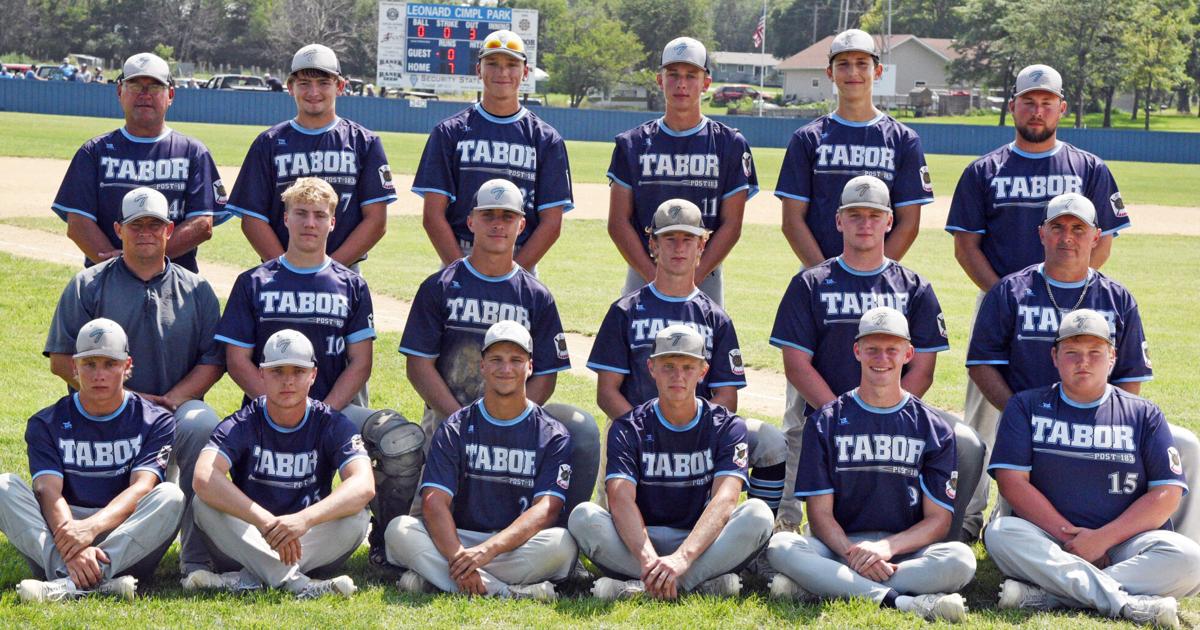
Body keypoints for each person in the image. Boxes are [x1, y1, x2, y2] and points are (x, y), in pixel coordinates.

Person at [946, 64, 1132, 537]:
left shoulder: (1089, 168)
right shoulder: (985, 170)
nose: (1037, 109)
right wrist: (1005, 299)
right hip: (1004, 305)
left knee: (1072, 410)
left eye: (1047, 101)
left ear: (1062, 108)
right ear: (1013, 106)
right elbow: (966, 245)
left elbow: (1102, 239)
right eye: (1028, 100)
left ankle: (1050, 513)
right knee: (986, 414)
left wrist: (1079, 286)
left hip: (1081, 310)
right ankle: (968, 516)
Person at [208, 177, 424, 568]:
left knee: (398, 440)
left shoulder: (351, 285)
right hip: (266, 409)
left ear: (332, 223)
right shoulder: (254, 282)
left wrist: (319, 415)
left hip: (334, 408)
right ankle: (217, 551)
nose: (310, 223)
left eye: (319, 216)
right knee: (209, 458)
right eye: (301, 214)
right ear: (285, 218)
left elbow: (361, 362)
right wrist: (280, 407)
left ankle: (387, 544)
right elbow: (237, 359)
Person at [962, 193, 1198, 542]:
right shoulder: (1011, 292)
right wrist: (1020, 417)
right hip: (1035, 423)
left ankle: (1179, 544)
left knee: (1186, 445)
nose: (1067, 237)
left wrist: (1114, 424)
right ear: (1042, 234)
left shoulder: (1117, 298)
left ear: (1096, 236)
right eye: (1057, 227)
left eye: (1078, 228)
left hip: (1102, 424)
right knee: (1006, 533)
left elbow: (1130, 375)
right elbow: (981, 364)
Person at [43, 186, 225, 577]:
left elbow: (213, 360)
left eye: (154, 225)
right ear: (118, 229)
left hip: (176, 406)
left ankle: (195, 559)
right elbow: (61, 360)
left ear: (169, 230)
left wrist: (172, 399)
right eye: (135, 225)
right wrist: (132, 399)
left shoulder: (197, 289)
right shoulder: (87, 285)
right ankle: (88, 542)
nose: (145, 232)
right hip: (108, 409)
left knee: (203, 425)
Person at [984, 309, 1200, 627]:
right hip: (1049, 539)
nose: (1083, 362)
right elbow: (1012, 483)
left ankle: (1052, 596)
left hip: (1125, 545)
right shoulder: (1025, 406)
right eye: (1072, 353)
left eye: (1094, 353)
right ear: (1055, 356)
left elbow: (1166, 494)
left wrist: (1102, 540)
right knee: (1001, 533)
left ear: (1112, 357)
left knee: (1190, 559)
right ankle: (1124, 602)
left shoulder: (1143, 414)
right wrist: (1073, 542)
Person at [400, 178, 598, 521]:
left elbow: (546, 374)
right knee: (414, 525)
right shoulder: (441, 286)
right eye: (488, 214)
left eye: (507, 217)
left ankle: (561, 532)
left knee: (578, 429)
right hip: (448, 417)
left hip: (516, 418)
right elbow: (419, 365)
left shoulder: (535, 295)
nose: (497, 224)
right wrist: (461, 422)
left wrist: (509, 422)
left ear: (521, 225)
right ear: (471, 221)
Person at [767, 307, 973, 623]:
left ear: (908, 354)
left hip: (904, 551)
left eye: (892, 349)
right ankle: (899, 602)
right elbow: (819, 516)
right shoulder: (826, 421)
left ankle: (822, 584)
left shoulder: (933, 427)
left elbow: (938, 522)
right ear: (857, 351)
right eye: (872, 349)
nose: (882, 358)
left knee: (960, 559)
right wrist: (855, 555)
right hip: (839, 546)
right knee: (781, 546)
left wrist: (886, 548)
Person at [769, 176, 954, 528]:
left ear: (889, 221)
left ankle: (947, 525)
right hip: (822, 414)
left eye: (874, 215)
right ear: (839, 220)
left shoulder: (914, 287)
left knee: (956, 438)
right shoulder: (811, 282)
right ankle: (786, 527)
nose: (864, 224)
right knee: (796, 437)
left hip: (895, 417)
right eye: (855, 215)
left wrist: (884, 413)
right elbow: (796, 364)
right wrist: (839, 417)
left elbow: (924, 368)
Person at [587, 198, 787, 516]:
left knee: (772, 442)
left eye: (688, 239)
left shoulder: (715, 317)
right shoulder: (625, 311)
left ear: (702, 245)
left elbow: (726, 397)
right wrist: (646, 432)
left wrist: (690, 432)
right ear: (653, 244)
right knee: (606, 520)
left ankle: (759, 547)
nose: (679, 248)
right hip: (636, 431)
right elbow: (607, 392)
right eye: (669, 238)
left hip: (699, 433)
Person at [569, 325, 774, 600]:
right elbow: (620, 500)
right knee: (583, 516)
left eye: (688, 367)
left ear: (703, 371)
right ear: (651, 368)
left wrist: (682, 559)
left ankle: (644, 587)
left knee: (758, 514)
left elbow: (725, 500)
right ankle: (697, 584)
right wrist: (647, 559)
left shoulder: (728, 426)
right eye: (668, 366)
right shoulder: (629, 427)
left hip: (701, 538)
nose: (678, 376)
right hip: (641, 538)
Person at [387, 321, 578, 599]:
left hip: (515, 544)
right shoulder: (456, 426)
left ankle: (437, 578)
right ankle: (507, 591)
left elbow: (546, 510)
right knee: (399, 530)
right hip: (462, 538)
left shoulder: (552, 433)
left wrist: (486, 552)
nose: (506, 369)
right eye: (496, 360)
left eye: (516, 360)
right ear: (482, 366)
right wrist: (458, 554)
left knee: (562, 545)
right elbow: (434, 503)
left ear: (530, 367)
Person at [0, 319, 183, 602]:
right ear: (74, 366)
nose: (99, 374)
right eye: (90, 364)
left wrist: (92, 528)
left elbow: (142, 488)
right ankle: (88, 579)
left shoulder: (156, 420)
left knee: (171, 495)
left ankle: (65, 583)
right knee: (3, 486)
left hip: (126, 534)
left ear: (127, 365)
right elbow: (48, 491)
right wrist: (73, 539)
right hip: (63, 532)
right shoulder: (46, 421)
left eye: (110, 364)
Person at [187, 329, 374, 599]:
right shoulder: (243, 422)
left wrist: (303, 520)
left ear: (313, 375)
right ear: (261, 374)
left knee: (358, 514)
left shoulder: (331, 422)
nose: (288, 381)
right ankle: (300, 585)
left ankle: (249, 577)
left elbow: (364, 484)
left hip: (306, 537)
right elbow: (204, 476)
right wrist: (265, 523)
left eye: (298, 371)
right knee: (202, 503)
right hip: (250, 533)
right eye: (277, 371)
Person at [607, 37, 756, 307]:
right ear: (659, 80)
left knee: (706, 346)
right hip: (644, 271)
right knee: (636, 347)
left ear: (706, 83)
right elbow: (618, 222)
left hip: (705, 273)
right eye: (673, 74)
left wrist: (691, 279)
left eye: (691, 75)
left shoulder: (730, 144)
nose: (681, 84)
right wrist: (655, 278)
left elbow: (732, 225)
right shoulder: (633, 143)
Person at [51, 52, 225, 274]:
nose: (144, 94)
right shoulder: (94, 151)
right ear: (119, 91)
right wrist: (119, 269)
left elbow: (202, 225)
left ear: (170, 94)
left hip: (174, 282)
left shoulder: (193, 152)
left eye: (154, 87)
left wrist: (149, 263)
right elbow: (78, 223)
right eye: (135, 86)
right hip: (107, 282)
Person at [413, 29, 572, 272]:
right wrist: (461, 271)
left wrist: (513, 275)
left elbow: (552, 223)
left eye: (511, 64)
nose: (502, 72)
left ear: (525, 72)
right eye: (492, 63)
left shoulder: (546, 139)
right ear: (479, 69)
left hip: (521, 258)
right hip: (460, 253)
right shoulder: (449, 133)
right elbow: (433, 216)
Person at [226, 44, 395, 270]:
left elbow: (376, 221)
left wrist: (331, 272)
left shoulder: (364, 143)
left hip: (345, 272)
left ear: (340, 86)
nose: (313, 92)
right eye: (304, 83)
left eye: (324, 83)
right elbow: (253, 219)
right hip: (278, 273)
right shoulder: (268, 143)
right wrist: (286, 269)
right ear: (290, 87)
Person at [776, 29, 932, 268]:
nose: (853, 72)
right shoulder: (808, 138)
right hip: (816, 272)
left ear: (877, 71)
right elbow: (792, 220)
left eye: (862, 63)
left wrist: (878, 272)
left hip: (879, 276)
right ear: (830, 72)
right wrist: (824, 275)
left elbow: (909, 222)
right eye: (843, 64)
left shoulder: (903, 140)